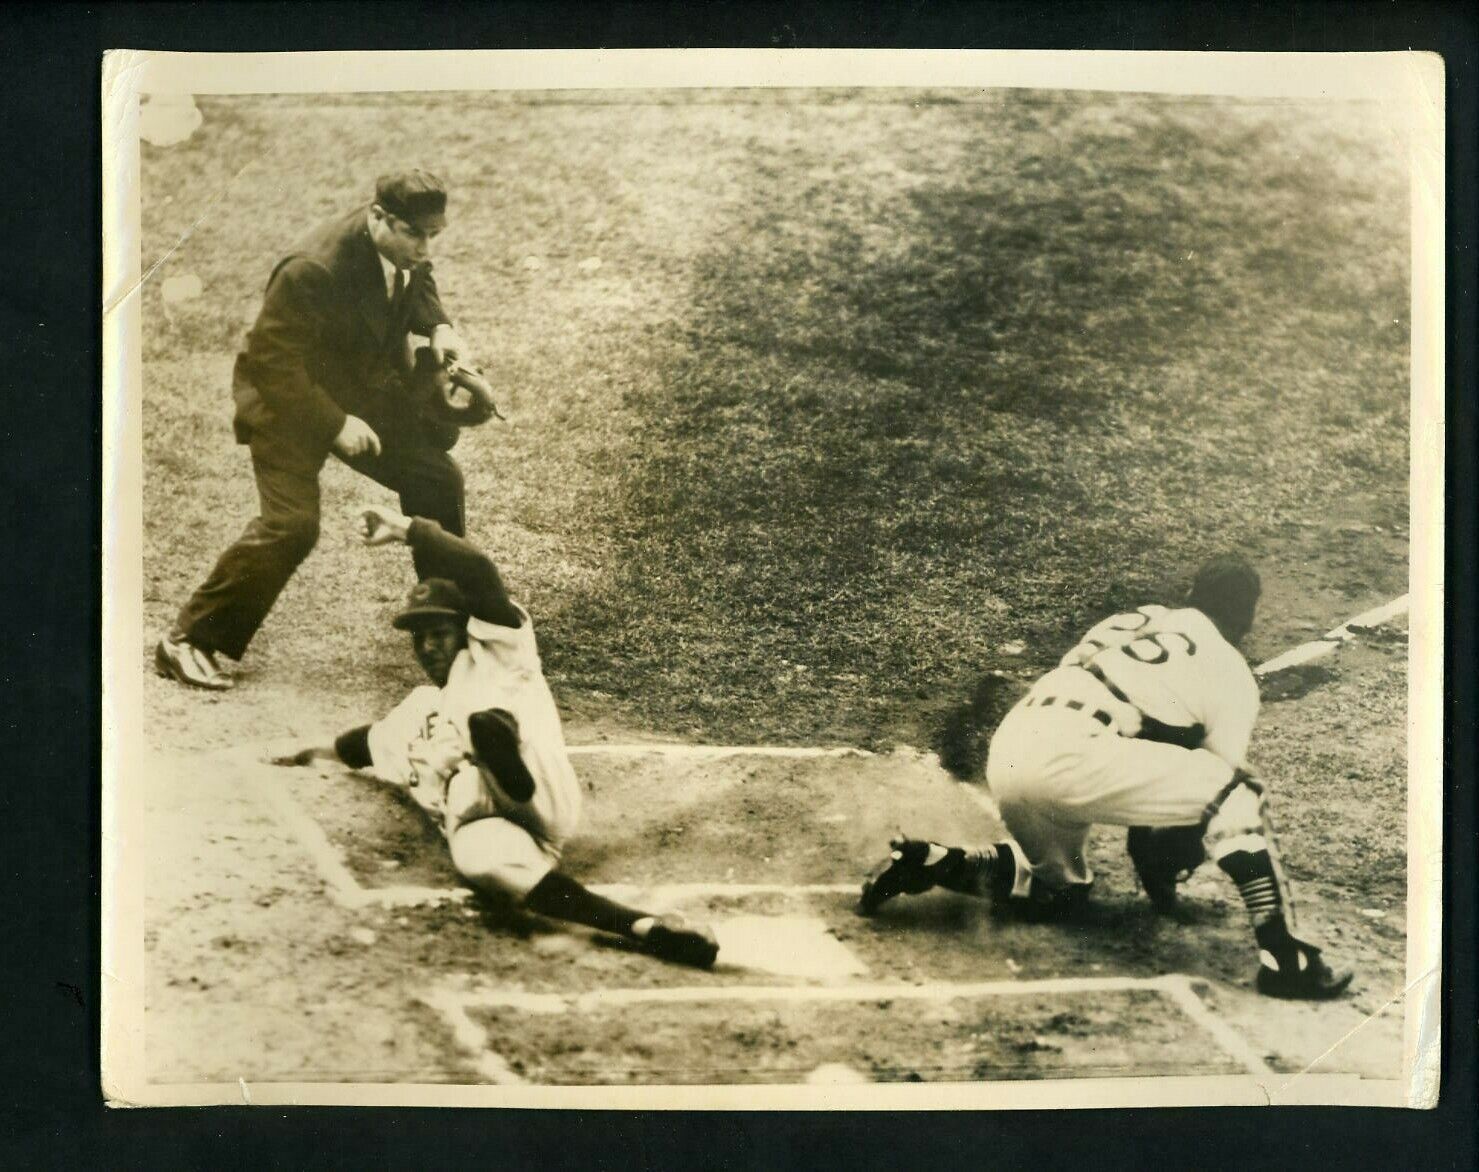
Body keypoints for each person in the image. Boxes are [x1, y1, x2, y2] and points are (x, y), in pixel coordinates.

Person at [857, 554, 1354, 1001]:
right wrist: (1161, 861)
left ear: (1189, 596)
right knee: (1236, 791)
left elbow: (1151, 739)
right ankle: (1282, 955)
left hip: (1014, 744)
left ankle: (940, 860)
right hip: (1075, 757)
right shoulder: (1230, 669)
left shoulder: (1131, 620)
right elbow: (1211, 786)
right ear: (1245, 619)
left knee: (1058, 889)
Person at [273, 505, 720, 970]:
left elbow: (480, 571)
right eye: (419, 637)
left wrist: (410, 529)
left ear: (466, 632)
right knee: (476, 859)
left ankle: (496, 748)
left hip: (539, 789)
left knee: (489, 726)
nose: (428, 646)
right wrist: (299, 752)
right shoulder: (418, 710)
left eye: (439, 633)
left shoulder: (501, 659)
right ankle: (646, 927)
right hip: (491, 827)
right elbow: (361, 745)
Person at [157, 170, 486, 691]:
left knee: (437, 480)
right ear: (378, 217)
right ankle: (188, 640)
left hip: (354, 389)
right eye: (415, 235)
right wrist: (335, 425)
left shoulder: (402, 247)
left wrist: (438, 325)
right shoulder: (313, 269)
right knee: (293, 525)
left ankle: (449, 623)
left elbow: (417, 278)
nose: (425, 248)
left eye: (433, 236)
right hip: (284, 399)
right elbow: (271, 362)